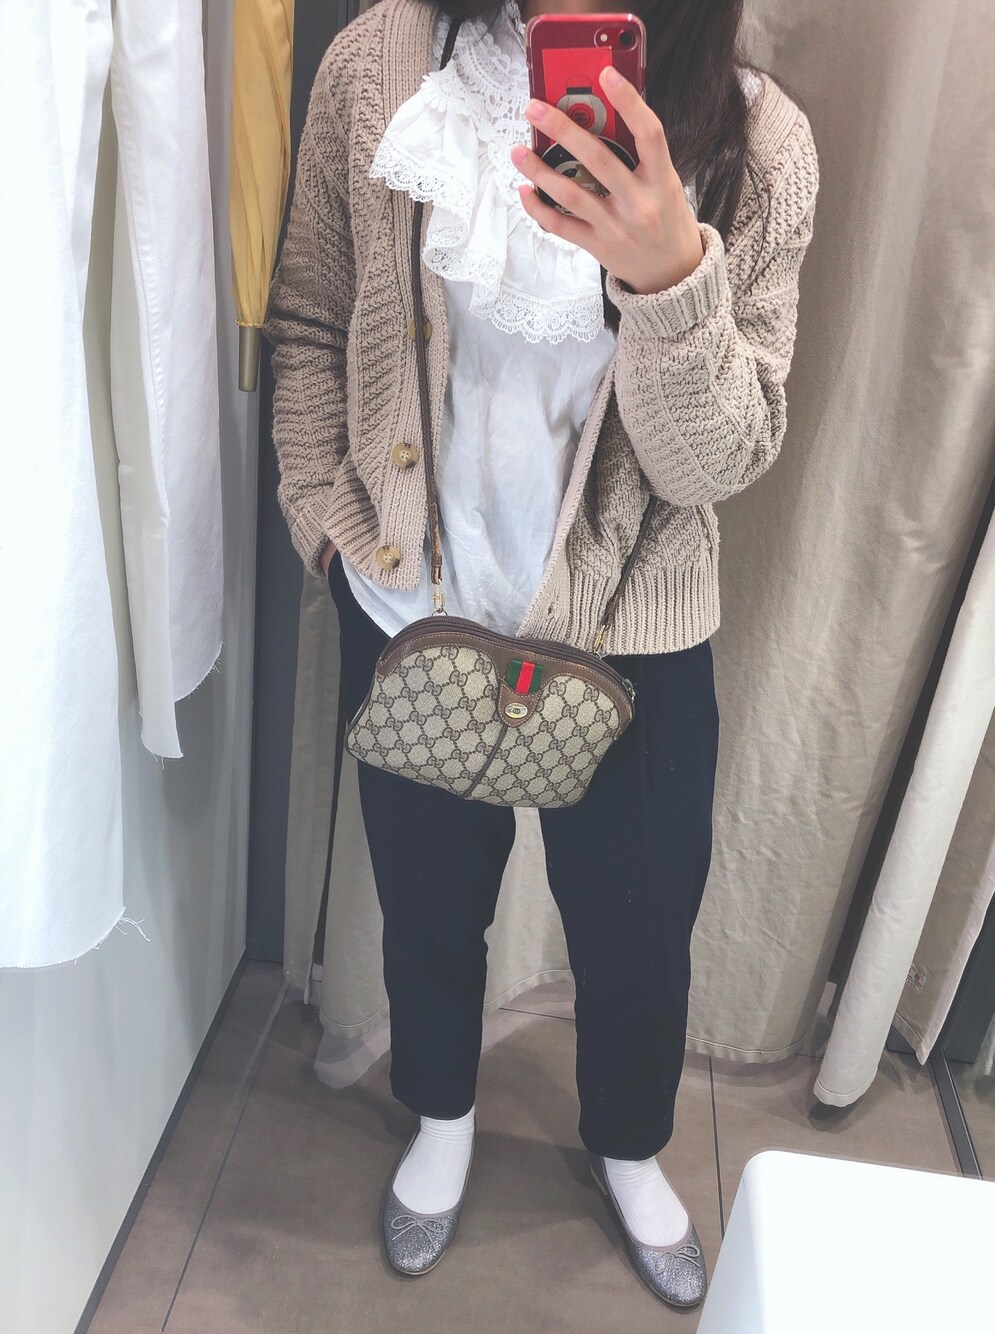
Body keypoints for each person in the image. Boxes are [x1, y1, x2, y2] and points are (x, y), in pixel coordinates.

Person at [263, 0, 818, 1309]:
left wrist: (672, 279)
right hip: (414, 602)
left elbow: (715, 463)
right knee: (428, 904)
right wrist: (330, 532)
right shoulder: (379, 68)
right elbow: (311, 320)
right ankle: (442, 1114)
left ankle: (627, 1143)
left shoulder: (760, 143)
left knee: (638, 929)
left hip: (637, 632)